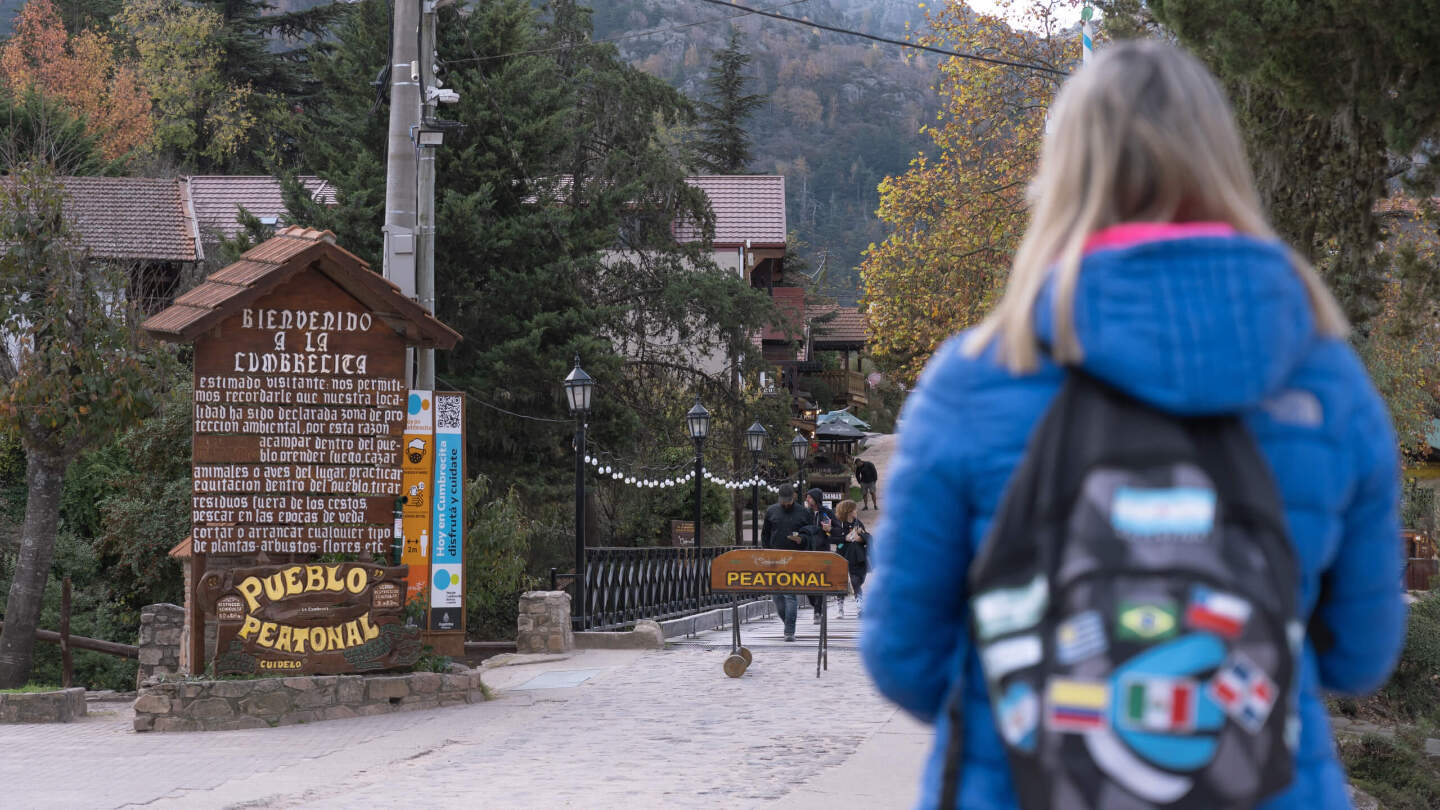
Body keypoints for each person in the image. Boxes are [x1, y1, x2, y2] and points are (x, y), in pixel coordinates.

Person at [860, 40, 1406, 810]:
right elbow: (1360, 654)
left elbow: (901, 655)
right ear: (1223, 165)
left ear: (1064, 175)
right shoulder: (1325, 377)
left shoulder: (979, 374)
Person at [761, 483, 811, 642]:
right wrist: (767, 554)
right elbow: (765, 535)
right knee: (777, 597)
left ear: (794, 497)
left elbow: (811, 534)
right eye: (783, 501)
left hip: (794, 558)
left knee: (790, 595)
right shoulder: (771, 511)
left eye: (788, 501)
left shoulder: (803, 513)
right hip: (774, 559)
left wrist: (802, 540)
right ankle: (787, 623)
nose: (785, 504)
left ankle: (789, 631)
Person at [831, 499, 869, 618]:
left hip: (856, 556)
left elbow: (865, 535)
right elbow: (831, 539)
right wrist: (844, 538)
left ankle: (860, 607)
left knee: (856, 581)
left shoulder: (858, 523)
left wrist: (861, 537)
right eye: (854, 509)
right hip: (841, 555)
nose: (856, 511)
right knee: (841, 582)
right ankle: (840, 609)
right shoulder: (838, 523)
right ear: (848, 511)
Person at [804, 488, 837, 623]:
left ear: (816, 499)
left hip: (822, 551)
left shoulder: (827, 513)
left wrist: (830, 530)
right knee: (807, 583)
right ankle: (815, 604)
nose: (807, 500)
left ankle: (818, 610)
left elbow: (838, 529)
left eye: (809, 497)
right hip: (808, 552)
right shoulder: (806, 514)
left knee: (820, 581)